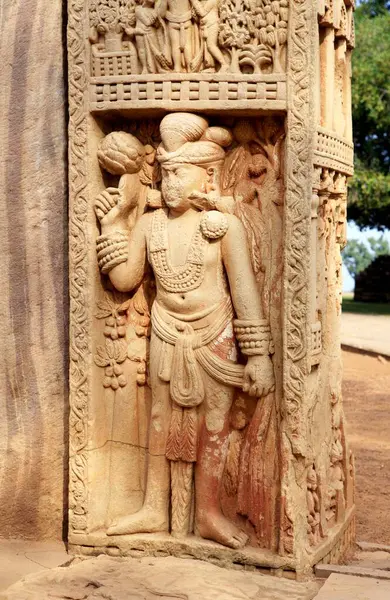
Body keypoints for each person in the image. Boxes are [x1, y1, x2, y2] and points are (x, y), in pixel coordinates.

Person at [95, 113, 275, 549]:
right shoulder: (150, 224)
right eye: (165, 173)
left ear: (208, 174)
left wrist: (258, 357)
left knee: (213, 425)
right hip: (167, 333)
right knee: (159, 419)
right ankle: (154, 507)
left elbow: (245, 293)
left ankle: (210, 513)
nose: (171, 183)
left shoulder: (222, 227)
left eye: (181, 173)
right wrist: (113, 225)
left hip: (215, 335)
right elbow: (124, 280)